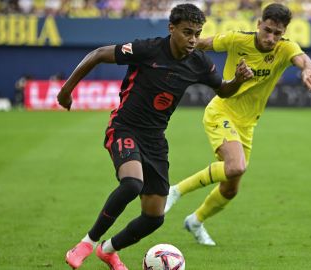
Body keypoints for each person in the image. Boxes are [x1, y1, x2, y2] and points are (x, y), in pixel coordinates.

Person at [58, 4, 253, 270]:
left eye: (197, 33)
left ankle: (108, 251)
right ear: (171, 28)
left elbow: (224, 91)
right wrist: (66, 91)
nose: (193, 39)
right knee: (131, 183)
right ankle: (86, 244)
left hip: (155, 140)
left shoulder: (199, 62)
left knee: (154, 217)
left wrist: (239, 80)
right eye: (187, 32)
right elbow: (99, 54)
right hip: (124, 127)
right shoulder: (147, 49)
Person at [164, 3, 311, 246]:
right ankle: (175, 190)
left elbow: (304, 60)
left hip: (248, 125)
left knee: (230, 189)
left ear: (283, 33)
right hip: (222, 111)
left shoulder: (285, 48)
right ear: (259, 25)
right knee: (236, 166)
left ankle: (195, 221)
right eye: (267, 30)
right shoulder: (237, 40)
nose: (271, 38)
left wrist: (307, 71)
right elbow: (201, 43)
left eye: (277, 33)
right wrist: (170, 49)